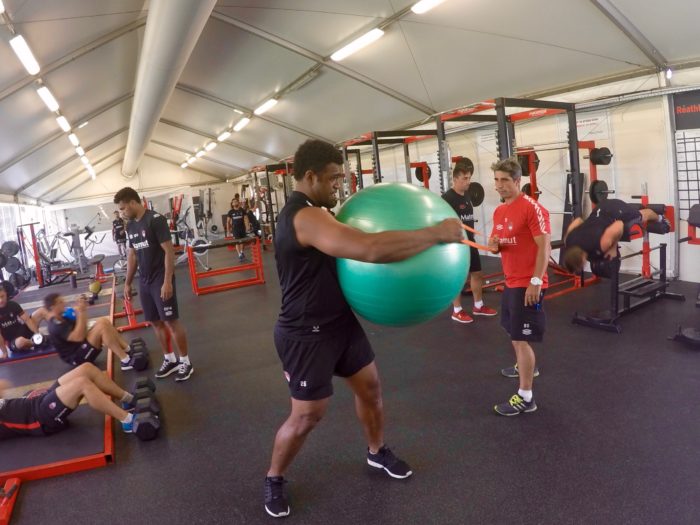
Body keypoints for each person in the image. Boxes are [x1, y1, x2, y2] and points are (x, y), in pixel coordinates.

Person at [263, 139, 463, 518]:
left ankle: (376, 452)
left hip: (339, 322)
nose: (340, 186)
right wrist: (435, 234)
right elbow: (370, 250)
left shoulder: (320, 210)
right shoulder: (304, 216)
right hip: (305, 333)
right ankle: (274, 477)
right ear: (310, 176)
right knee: (308, 415)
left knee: (371, 389)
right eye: (334, 178)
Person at [487, 157, 551, 417]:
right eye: (496, 180)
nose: (499, 185)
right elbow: (499, 241)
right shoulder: (500, 211)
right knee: (513, 333)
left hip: (528, 283)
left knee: (521, 339)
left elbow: (544, 247)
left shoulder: (532, 208)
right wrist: (495, 244)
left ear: (517, 181)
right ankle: (524, 366)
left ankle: (526, 397)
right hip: (511, 280)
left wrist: (536, 281)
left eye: (505, 180)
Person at [114, 187, 193, 382]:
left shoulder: (155, 220)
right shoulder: (130, 226)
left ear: (133, 203)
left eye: (124, 208)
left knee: (170, 321)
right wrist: (128, 282)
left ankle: (186, 362)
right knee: (155, 322)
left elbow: (169, 251)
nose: (122, 212)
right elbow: (132, 255)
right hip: (145, 281)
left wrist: (167, 281)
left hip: (160, 278)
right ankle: (170, 359)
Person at [0, 362, 137, 439]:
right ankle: (128, 421)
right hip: (40, 418)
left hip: (37, 401)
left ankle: (128, 399)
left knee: (86, 368)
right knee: (82, 384)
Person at [442, 158, 497, 323]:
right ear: (455, 179)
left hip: (470, 242)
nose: (468, 181)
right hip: (456, 245)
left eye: (469, 178)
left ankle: (478, 306)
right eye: (464, 178)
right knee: (457, 278)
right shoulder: (447, 198)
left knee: (477, 273)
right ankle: (457, 310)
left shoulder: (467, 195)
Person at [563, 198, 671, 274]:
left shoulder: (603, 243)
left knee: (641, 216)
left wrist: (613, 246)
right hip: (599, 209)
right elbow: (578, 221)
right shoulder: (568, 240)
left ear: (581, 259)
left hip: (615, 209)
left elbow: (619, 225)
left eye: (581, 267)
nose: (582, 267)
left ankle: (660, 218)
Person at [45, 293, 135, 369]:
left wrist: (82, 311)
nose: (64, 303)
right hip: (77, 358)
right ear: (53, 307)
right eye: (60, 302)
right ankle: (125, 361)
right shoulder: (55, 326)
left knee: (103, 321)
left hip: (81, 347)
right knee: (102, 328)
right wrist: (81, 312)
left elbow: (83, 330)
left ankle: (127, 349)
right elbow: (79, 337)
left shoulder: (63, 317)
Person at [0, 283, 48, 358]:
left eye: (2, 296)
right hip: (13, 341)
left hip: (23, 330)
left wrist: (37, 334)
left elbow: (27, 320)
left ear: (6, 294)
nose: (1, 300)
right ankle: (36, 342)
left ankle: (60, 330)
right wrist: (5, 352)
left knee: (41, 311)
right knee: (21, 342)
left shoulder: (13, 304)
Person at [227, 195, 247, 261]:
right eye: (234, 202)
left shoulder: (242, 210)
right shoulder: (230, 212)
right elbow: (228, 222)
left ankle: (241, 252)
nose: (235, 203)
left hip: (242, 228)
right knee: (237, 242)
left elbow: (245, 219)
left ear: (238, 203)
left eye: (236, 201)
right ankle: (239, 254)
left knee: (242, 242)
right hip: (235, 229)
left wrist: (247, 226)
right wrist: (228, 231)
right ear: (232, 204)